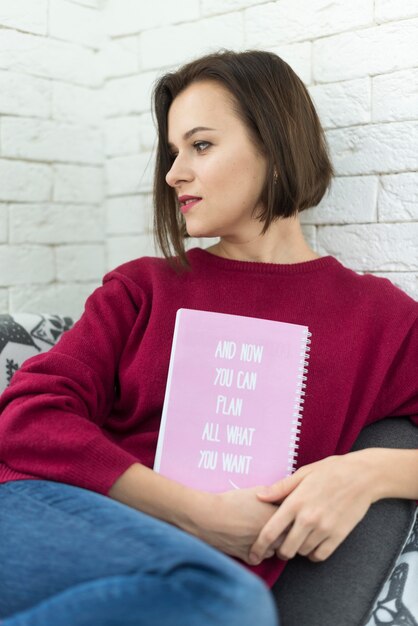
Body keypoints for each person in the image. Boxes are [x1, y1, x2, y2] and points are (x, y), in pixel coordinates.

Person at [0, 48, 417, 625]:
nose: (173, 174)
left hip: (182, 592)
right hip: (51, 514)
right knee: (231, 604)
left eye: (200, 145)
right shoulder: (144, 287)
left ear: (275, 145)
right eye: (174, 153)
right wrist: (197, 513)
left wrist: (365, 473)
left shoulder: (379, 318)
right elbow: (25, 416)